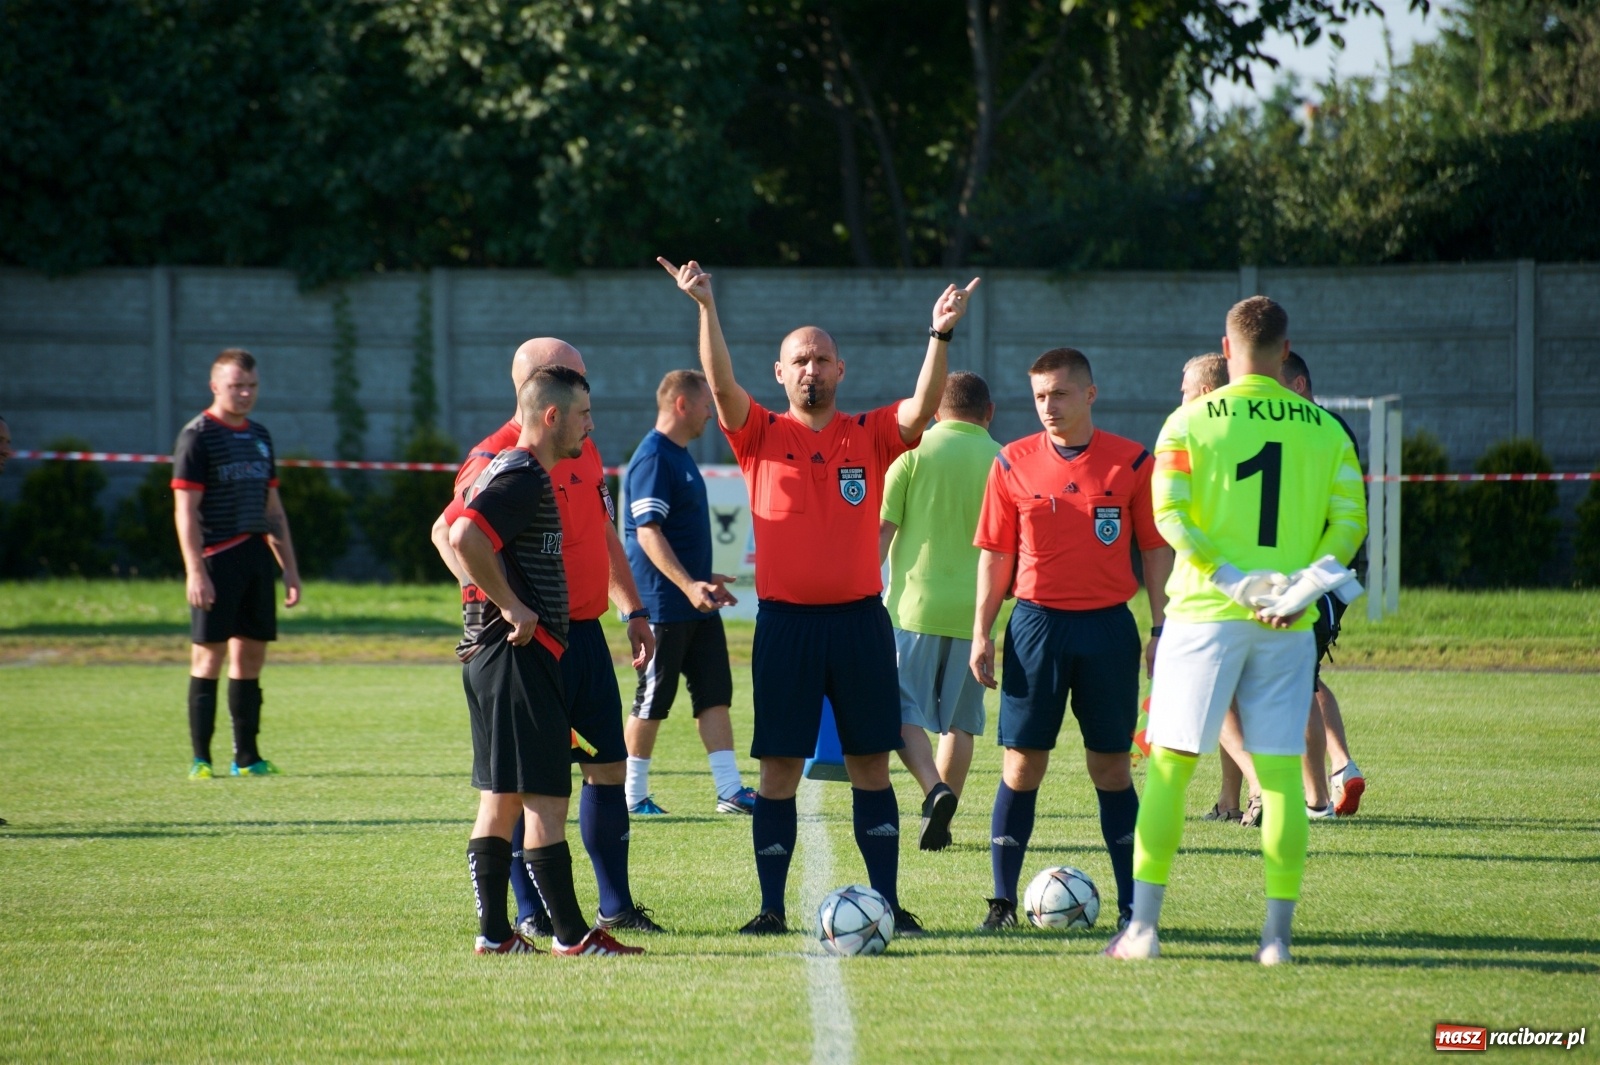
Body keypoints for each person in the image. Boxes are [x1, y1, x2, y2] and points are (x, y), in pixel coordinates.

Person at [659, 254, 977, 936]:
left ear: (839, 371)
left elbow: (922, 408)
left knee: (869, 759)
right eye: (798, 360)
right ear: (780, 374)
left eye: (821, 359)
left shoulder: (870, 434)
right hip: (785, 627)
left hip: (861, 622)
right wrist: (707, 309)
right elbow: (718, 381)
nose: (811, 368)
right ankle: (771, 908)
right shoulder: (758, 435)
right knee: (778, 767)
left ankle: (889, 904)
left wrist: (939, 334)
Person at [1105, 296, 1366, 966]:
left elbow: (1170, 516)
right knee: (1280, 780)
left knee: (1170, 767)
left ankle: (1145, 929)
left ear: (1227, 347)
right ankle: (1276, 940)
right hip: (1288, 622)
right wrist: (1302, 588)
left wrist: (1230, 579)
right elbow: (1349, 525)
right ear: (1286, 350)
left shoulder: (1188, 421)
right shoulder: (1326, 429)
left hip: (1203, 614)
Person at [431, 338, 662, 940]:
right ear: (544, 395)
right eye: (577, 386)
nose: (591, 409)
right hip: (524, 647)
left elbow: (604, 531)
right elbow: (450, 533)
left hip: (580, 637)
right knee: (529, 791)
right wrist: (504, 604)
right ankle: (541, 921)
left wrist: (631, 606)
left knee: (603, 766)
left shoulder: (578, 450)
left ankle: (607, 908)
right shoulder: (500, 458)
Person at [970, 348, 1173, 932]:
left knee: (1111, 768)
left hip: (1109, 627)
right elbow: (995, 555)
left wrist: (1161, 628)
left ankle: (1136, 907)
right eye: (1038, 397)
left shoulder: (1133, 462)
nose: (1048, 407)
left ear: (1090, 393)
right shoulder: (1011, 462)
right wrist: (981, 631)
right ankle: (1003, 902)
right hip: (1035, 627)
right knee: (1021, 764)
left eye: (1059, 394)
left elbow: (1156, 551)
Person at [622, 370, 756, 816]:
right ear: (681, 404)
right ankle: (633, 795)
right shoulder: (654, 458)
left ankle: (730, 792)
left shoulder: (679, 455)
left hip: (696, 604)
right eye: (705, 406)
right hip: (663, 605)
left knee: (715, 694)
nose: (710, 415)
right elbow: (647, 533)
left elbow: (674, 533)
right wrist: (686, 583)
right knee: (653, 700)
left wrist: (705, 578)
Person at [878, 371, 1001, 852]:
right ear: (989, 413)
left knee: (901, 712)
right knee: (961, 722)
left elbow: (883, 530)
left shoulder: (910, 453)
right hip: (979, 616)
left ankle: (935, 790)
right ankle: (942, 820)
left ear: (933, 411)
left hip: (914, 608)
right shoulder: (1006, 460)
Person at [171, 349, 302, 780]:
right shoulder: (197, 436)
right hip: (215, 559)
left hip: (254, 558)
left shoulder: (260, 435)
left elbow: (273, 507)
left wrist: (289, 567)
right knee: (207, 658)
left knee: (251, 658)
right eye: (235, 386)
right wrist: (195, 570)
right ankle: (200, 760)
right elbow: (185, 511)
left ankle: (246, 757)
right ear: (215, 387)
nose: (245, 393)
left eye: (251, 386)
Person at [1180, 353, 1265, 829]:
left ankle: (1259, 785)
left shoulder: (1200, 436)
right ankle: (1230, 800)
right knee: (1231, 697)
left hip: (1213, 583)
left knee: (1208, 697)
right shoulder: (1252, 430)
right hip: (1260, 578)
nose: (1182, 398)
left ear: (1208, 393)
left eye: (1186, 389)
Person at [1282, 350, 1367, 818]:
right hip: (1330, 575)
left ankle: (1313, 801)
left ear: (1297, 387)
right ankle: (1342, 768)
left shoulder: (1319, 431)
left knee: (1296, 683)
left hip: (1316, 576)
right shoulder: (1326, 430)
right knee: (1309, 678)